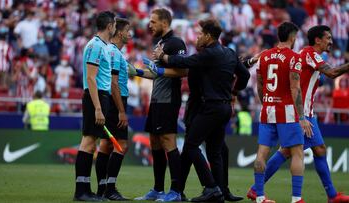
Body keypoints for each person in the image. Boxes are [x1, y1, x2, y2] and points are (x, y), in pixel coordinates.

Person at [247, 25, 349, 203]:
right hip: (297, 110)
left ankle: (332, 195)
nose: (331, 42)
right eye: (328, 38)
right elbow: (332, 73)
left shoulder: (305, 54)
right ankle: (259, 190)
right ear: (318, 40)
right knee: (290, 151)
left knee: (318, 149)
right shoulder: (309, 53)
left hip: (302, 110)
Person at [152, 18, 250, 202]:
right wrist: (234, 91)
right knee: (215, 151)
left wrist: (163, 57)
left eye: (199, 34)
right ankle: (218, 193)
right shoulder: (229, 53)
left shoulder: (208, 54)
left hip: (209, 107)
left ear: (207, 36)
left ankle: (210, 187)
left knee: (190, 145)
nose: (197, 37)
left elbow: (184, 62)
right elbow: (244, 74)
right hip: (224, 107)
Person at [143, 52, 262, 202]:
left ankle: (217, 190)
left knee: (212, 150)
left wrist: (249, 62)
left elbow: (230, 69)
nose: (199, 37)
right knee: (192, 150)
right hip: (197, 111)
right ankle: (201, 189)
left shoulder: (209, 59)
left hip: (206, 111)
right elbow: (188, 65)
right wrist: (163, 59)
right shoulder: (201, 60)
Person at [251, 22, 313, 203]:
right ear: (293, 37)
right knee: (297, 153)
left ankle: (260, 197)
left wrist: (266, 103)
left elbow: (260, 86)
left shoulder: (264, 56)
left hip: (267, 110)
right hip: (287, 112)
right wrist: (302, 117)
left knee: (261, 153)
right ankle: (296, 198)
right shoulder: (294, 58)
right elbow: (295, 88)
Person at [135, 8, 186, 202]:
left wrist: (159, 69)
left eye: (153, 22)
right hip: (156, 99)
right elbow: (156, 73)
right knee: (154, 142)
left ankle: (175, 191)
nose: (150, 25)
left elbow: (183, 71)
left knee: (168, 142)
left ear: (164, 23)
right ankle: (157, 189)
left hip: (168, 100)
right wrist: (137, 72)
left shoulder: (176, 43)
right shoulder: (160, 43)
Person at [73, 11, 116, 202]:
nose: (115, 27)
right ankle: (81, 192)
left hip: (100, 96)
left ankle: (85, 189)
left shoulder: (102, 46)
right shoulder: (96, 46)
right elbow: (90, 77)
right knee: (88, 142)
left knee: (91, 144)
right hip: (95, 97)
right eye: (114, 24)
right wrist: (98, 107)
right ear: (110, 26)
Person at [95, 17, 132, 201]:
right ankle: (110, 188)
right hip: (116, 101)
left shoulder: (108, 50)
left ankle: (102, 188)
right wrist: (122, 111)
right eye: (128, 31)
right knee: (122, 145)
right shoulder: (115, 53)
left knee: (105, 145)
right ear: (120, 32)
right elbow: (114, 83)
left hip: (108, 101)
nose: (130, 34)